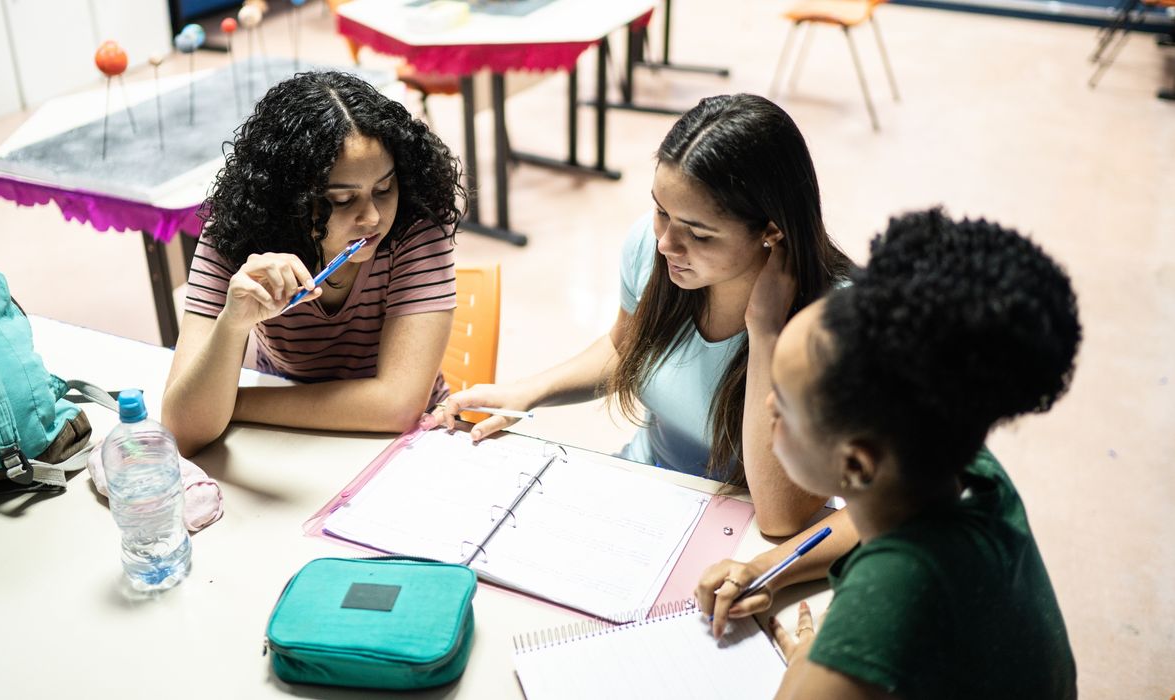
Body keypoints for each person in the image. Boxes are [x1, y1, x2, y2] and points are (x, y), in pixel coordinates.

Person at [422, 94, 853, 536]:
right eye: (661, 212)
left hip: (741, 530)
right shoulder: (654, 252)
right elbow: (626, 346)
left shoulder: (837, 320)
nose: (666, 243)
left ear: (772, 230)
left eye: (698, 234)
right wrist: (528, 392)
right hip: (645, 488)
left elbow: (780, 515)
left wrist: (766, 334)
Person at [697, 208, 1080, 699]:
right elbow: (864, 521)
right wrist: (768, 566)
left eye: (785, 405)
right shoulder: (962, 468)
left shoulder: (892, 592)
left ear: (855, 463)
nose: (767, 403)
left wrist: (810, 674)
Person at [163, 71, 465, 456]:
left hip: (403, 445)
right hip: (288, 439)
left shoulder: (415, 226)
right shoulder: (235, 237)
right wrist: (232, 324)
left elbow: (398, 406)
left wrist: (232, 404)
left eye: (384, 189)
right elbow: (184, 431)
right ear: (288, 199)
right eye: (341, 200)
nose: (372, 218)